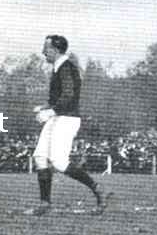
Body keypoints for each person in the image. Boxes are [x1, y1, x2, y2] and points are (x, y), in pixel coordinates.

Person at [32, 35, 109, 215]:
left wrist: (50, 112)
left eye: (46, 48)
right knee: (40, 157)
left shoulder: (66, 68)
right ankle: (45, 204)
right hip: (59, 116)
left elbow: (68, 96)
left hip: (66, 119)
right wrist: (45, 107)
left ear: (56, 50)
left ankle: (97, 189)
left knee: (58, 162)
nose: (43, 51)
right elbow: (63, 97)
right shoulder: (60, 68)